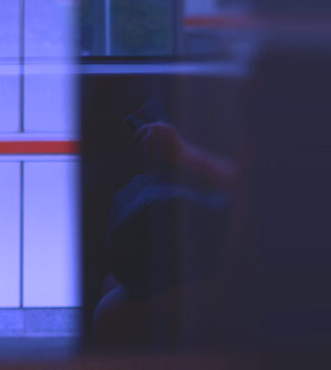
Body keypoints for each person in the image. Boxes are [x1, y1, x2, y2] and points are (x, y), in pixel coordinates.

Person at [92, 121, 239, 345]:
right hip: (229, 229)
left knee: (108, 314)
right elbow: (246, 187)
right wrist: (185, 154)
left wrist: (187, 155)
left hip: (243, 264)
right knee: (111, 285)